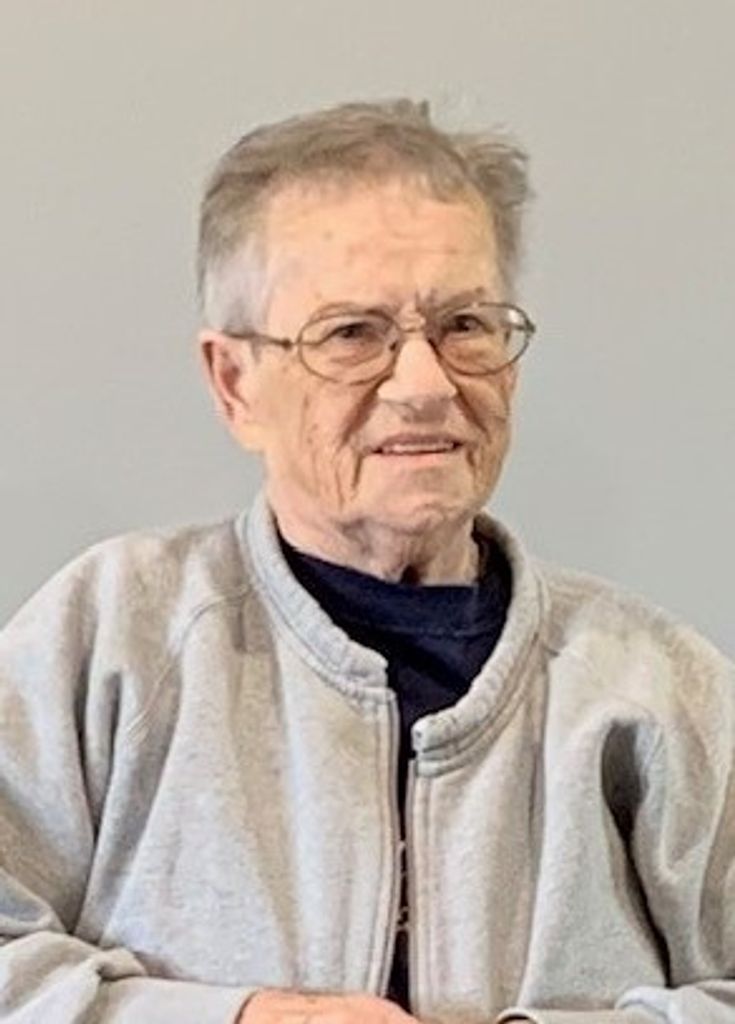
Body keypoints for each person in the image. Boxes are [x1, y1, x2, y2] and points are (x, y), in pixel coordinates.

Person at [0, 99, 733, 1024]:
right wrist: (242, 1020)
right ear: (235, 383)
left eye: (464, 325)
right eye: (351, 334)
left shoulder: (657, 687)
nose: (424, 384)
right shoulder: (110, 637)